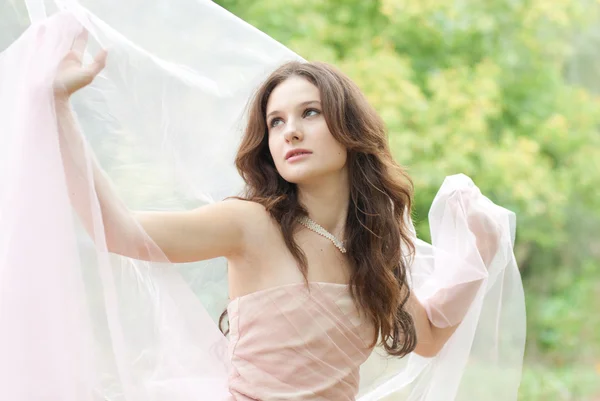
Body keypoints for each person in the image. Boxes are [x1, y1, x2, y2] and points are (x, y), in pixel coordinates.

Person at [0, 7, 525, 401]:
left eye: (310, 113)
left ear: (350, 129)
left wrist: (480, 249)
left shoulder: (373, 247)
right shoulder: (250, 224)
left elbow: (429, 337)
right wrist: (58, 105)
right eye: (276, 122)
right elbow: (119, 232)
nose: (290, 131)